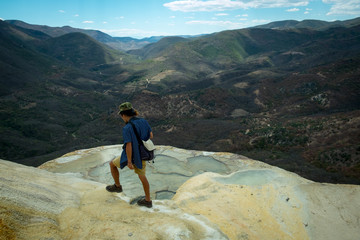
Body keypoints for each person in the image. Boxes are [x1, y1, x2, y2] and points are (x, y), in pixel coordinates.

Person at [106, 102, 153, 208]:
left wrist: (129, 161)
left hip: (132, 156)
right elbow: (151, 135)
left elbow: (129, 145)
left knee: (112, 164)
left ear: (123, 115)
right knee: (142, 176)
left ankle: (117, 186)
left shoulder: (127, 128)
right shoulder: (143, 121)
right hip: (142, 154)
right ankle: (148, 200)